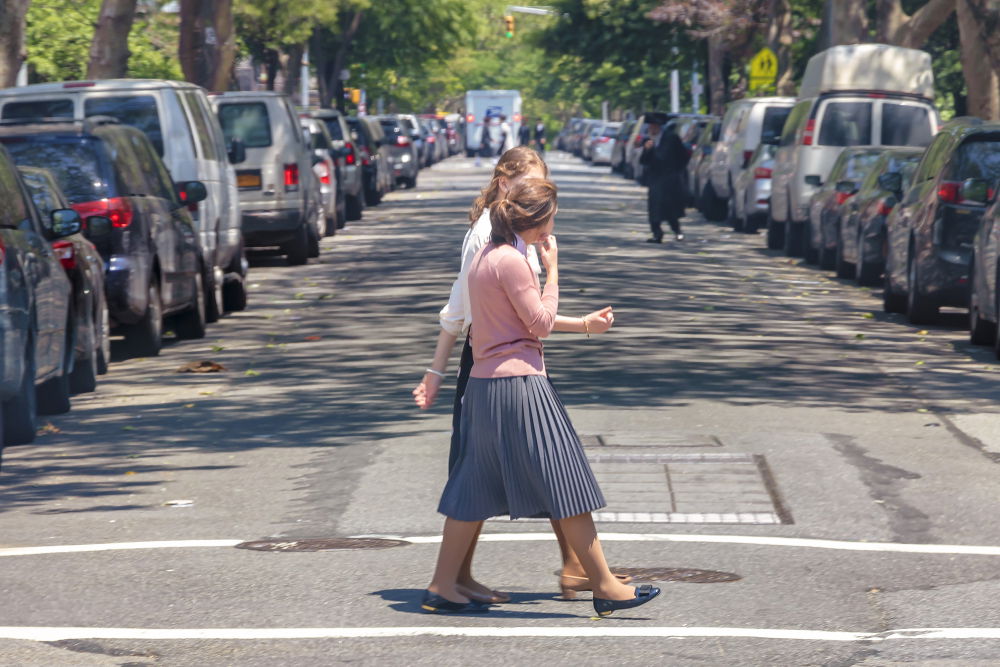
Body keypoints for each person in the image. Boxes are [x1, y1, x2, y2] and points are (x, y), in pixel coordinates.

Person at [423, 178, 661, 618]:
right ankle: (605, 585)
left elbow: (518, 321)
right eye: (552, 215)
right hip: (519, 386)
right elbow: (539, 323)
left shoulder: (485, 257)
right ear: (539, 220)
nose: (555, 224)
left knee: (472, 485)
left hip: (483, 385)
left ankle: (443, 583)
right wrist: (553, 270)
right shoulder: (513, 261)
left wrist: (587, 323)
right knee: (565, 477)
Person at [640, 112, 689, 243]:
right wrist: (647, 149)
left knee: (670, 206)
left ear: (658, 126)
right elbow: (643, 161)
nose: (651, 129)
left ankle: (677, 231)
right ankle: (657, 233)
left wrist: (677, 171)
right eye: (650, 126)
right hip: (655, 177)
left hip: (670, 176)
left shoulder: (671, 137)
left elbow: (683, 156)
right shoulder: (648, 140)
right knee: (654, 205)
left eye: (653, 126)